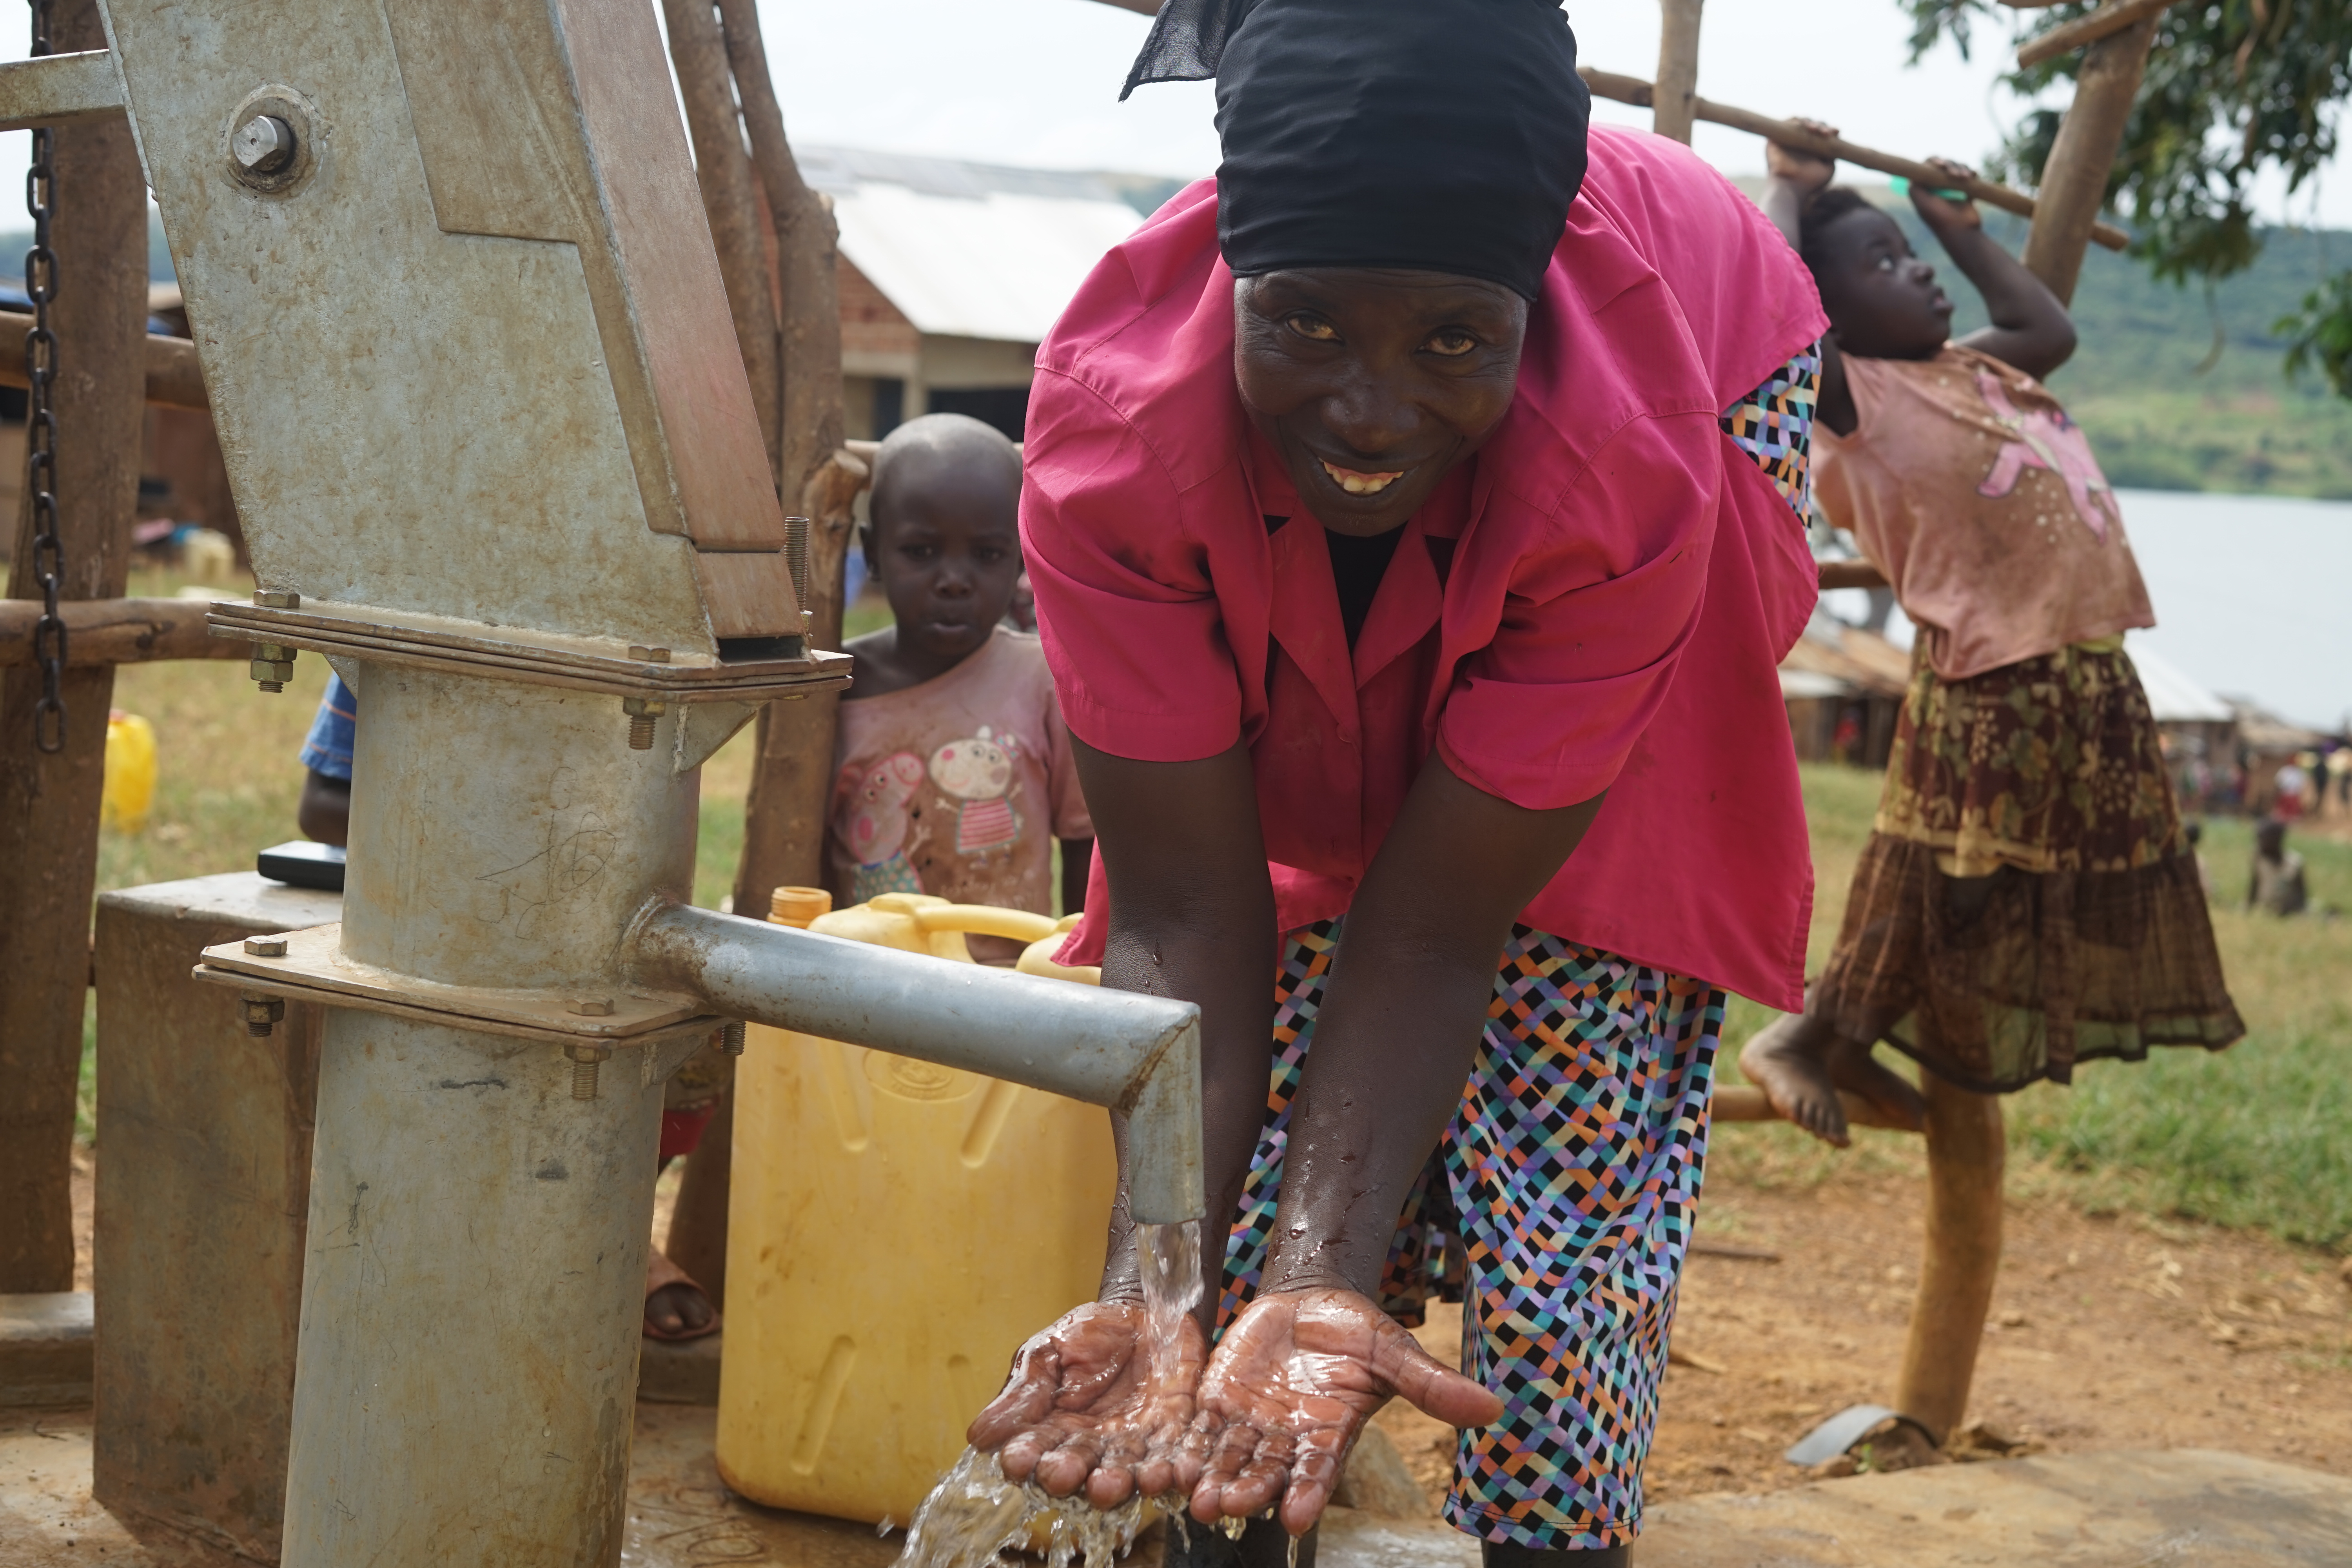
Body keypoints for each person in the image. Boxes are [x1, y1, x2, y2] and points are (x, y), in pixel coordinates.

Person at [964, 4, 1829, 1563]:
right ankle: (1238, 1460)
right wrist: (1173, 1271)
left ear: (1519, 315)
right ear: (1235, 270)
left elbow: (1438, 926)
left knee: (1569, 1043)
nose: (1370, 413)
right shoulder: (1113, 437)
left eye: (1452, 343)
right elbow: (1181, 896)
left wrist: (1328, 1260)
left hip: (1708, 374)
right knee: (1275, 993)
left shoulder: (1626, 473)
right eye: (1302, 329)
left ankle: (1549, 1530)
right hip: (1330, 488)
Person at [1737, 130, 2242, 1146]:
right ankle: (1803, 1034)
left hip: (2082, 667)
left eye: (1907, 253)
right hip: (1991, 672)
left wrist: (1954, 228)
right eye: (1882, 264)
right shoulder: (1854, 405)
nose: (1915, 271)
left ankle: (1846, 1037)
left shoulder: (1973, 367)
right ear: (1830, 316)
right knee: (1941, 876)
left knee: (1992, 890)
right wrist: (1790, 193)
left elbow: (2044, 327)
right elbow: (1773, 321)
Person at [295, 680, 726, 1341]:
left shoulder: (618, 661)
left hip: (580, 908)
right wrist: (500, 832)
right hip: (421, 908)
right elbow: (321, 807)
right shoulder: (394, 650)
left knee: (685, 1039)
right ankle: (493, 1243)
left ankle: (606, 1227)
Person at [829, 414, 1094, 955]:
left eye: (987, 554)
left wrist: (1076, 979)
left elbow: (1083, 846)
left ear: (1020, 554)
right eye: (921, 552)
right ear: (874, 552)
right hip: (856, 991)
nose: (953, 579)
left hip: (1003, 997)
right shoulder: (834, 686)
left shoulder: (1043, 680)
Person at [2248, 819, 2309, 916]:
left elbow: (2301, 894)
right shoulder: (2259, 860)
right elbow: (2254, 886)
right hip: (2265, 909)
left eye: (2263, 839)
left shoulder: (2294, 863)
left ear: (2277, 839)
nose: (2259, 844)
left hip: (2289, 911)